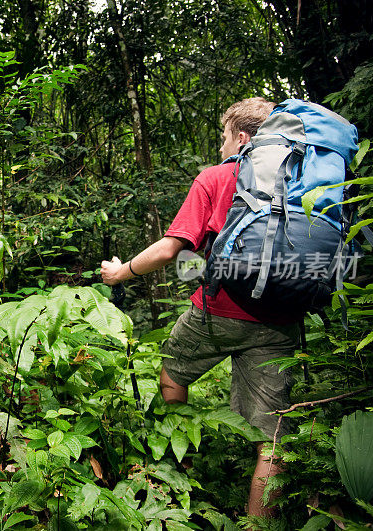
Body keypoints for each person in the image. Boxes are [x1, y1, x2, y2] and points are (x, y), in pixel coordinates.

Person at [100, 97, 300, 519]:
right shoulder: (301, 179)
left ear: (242, 137)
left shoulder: (215, 177)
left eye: (224, 137)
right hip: (281, 318)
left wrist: (121, 274)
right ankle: (259, 526)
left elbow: (171, 249)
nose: (222, 146)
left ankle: (175, 478)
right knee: (274, 435)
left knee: (173, 371)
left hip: (218, 313)